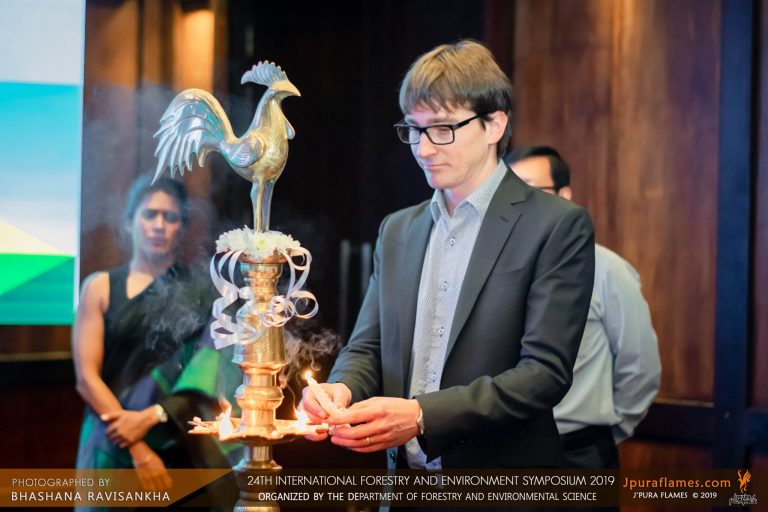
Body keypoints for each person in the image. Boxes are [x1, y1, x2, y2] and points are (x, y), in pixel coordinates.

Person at [300, 40, 595, 474]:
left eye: (442, 129)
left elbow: (544, 374)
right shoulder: (398, 229)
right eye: (414, 130)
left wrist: (422, 415)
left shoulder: (554, 224)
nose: (423, 149)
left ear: (494, 125)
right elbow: (368, 347)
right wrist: (340, 390)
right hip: (405, 484)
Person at [72, 175, 233, 491]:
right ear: (129, 222)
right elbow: (86, 379)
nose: (159, 225)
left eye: (170, 217)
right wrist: (136, 447)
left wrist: (152, 417)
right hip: (109, 437)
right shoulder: (100, 287)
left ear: (182, 228)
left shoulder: (202, 294)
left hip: (177, 437)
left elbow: (207, 372)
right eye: (150, 214)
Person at [505, 145, 661, 469]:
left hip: (577, 453)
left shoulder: (606, 269)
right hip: (506, 455)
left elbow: (639, 367)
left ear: (564, 196)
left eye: (532, 192)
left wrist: (606, 433)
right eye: (509, 194)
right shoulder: (498, 272)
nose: (519, 205)